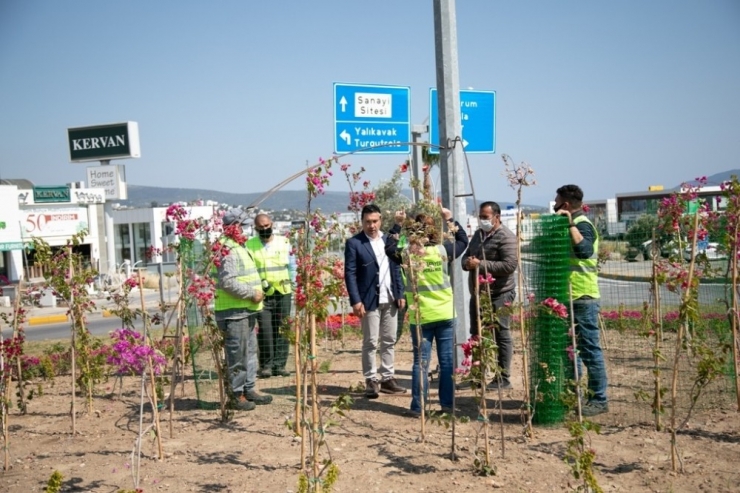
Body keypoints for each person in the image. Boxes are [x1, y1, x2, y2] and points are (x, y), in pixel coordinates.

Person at [386, 208, 468, 414]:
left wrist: (397, 223)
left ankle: (418, 407)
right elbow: (463, 241)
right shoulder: (443, 251)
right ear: (433, 233)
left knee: (420, 364)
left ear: (413, 233)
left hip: (421, 316)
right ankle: (447, 405)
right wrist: (449, 219)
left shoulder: (407, 255)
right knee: (447, 362)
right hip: (445, 314)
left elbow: (389, 247)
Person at [554, 184, 608, 417]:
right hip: (566, 296)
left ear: (565, 205)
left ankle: (599, 399)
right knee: (569, 351)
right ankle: (572, 394)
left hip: (583, 297)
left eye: (556, 201)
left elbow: (584, 251)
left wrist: (570, 223)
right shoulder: (564, 225)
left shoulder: (583, 225)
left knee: (589, 350)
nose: (554, 205)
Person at [344, 204, 407, 398]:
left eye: (375, 221)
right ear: (362, 222)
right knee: (370, 341)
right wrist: (356, 300)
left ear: (380, 220)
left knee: (388, 340)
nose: (372, 225)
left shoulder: (388, 240)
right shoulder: (355, 243)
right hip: (369, 299)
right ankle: (371, 379)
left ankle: (387, 378)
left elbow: (396, 267)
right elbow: (350, 273)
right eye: (368, 222)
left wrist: (400, 292)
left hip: (390, 297)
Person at [214, 208, 273, 410]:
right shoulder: (227, 249)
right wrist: (251, 293)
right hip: (233, 311)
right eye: (242, 226)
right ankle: (235, 395)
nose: (245, 230)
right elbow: (227, 282)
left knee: (249, 352)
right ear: (233, 227)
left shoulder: (238, 246)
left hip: (246, 310)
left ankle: (248, 389)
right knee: (237, 354)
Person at [461, 201, 518, 390]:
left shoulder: (506, 237)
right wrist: (466, 263)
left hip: (499, 294)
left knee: (500, 334)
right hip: (478, 294)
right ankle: (477, 375)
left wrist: (480, 264)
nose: (482, 220)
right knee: (477, 334)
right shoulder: (478, 235)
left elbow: (509, 266)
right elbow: (467, 256)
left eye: (485, 217)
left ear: (497, 217)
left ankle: (503, 377)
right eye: (480, 217)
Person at [247, 213, 295, 379]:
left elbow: (292, 266)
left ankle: (279, 365)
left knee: (283, 329)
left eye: (267, 226)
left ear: (272, 224)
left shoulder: (284, 242)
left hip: (283, 292)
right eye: (261, 227)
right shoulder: (250, 245)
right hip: (262, 295)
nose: (265, 229)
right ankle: (266, 365)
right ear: (256, 228)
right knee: (266, 330)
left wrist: (293, 285)